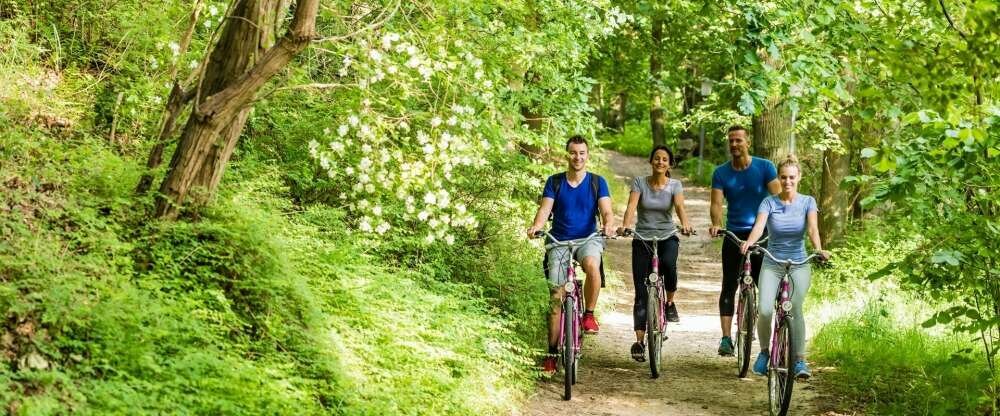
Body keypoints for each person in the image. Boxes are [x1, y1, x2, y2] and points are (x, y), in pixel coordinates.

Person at [527, 135, 616, 374]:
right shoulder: (555, 182)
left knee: (592, 266)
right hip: (558, 241)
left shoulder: (598, 182)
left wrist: (608, 224)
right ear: (567, 155)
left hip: (588, 238)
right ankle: (552, 354)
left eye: (582, 153)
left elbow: (607, 211)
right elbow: (545, 209)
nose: (577, 157)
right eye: (573, 153)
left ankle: (588, 315)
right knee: (556, 298)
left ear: (587, 155)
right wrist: (536, 226)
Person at [740, 155, 831, 379]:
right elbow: (759, 227)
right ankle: (763, 353)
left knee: (795, 308)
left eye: (792, 177)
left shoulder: (808, 201)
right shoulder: (769, 202)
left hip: (798, 263)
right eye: (783, 177)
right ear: (778, 178)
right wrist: (750, 242)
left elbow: (812, 229)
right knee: (765, 310)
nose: (787, 181)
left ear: (799, 177)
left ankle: (800, 360)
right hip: (773, 262)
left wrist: (819, 249)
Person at [708, 125, 780, 356]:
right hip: (734, 234)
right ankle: (727, 338)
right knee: (729, 284)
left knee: (766, 287)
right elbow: (717, 204)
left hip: (761, 234)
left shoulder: (765, 167)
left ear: (747, 142)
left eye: (738, 140)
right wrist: (717, 224)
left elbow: (779, 197)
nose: (734, 144)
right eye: (731, 141)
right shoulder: (721, 172)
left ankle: (773, 340)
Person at [619, 145, 693, 362]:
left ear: (669, 164)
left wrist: (686, 224)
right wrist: (625, 225)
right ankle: (640, 342)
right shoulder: (640, 182)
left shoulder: (675, 185)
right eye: (657, 159)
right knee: (641, 291)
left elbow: (679, 208)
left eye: (664, 159)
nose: (660, 162)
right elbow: (632, 205)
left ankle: (669, 303)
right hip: (642, 238)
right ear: (651, 161)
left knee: (669, 265)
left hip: (667, 236)